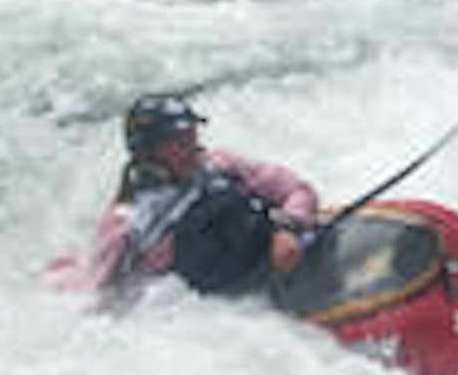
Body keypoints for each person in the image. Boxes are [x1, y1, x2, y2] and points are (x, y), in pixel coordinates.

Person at [86, 93, 320, 298]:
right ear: (148, 151)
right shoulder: (126, 224)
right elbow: (103, 299)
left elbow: (297, 190)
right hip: (223, 303)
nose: (191, 146)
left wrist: (288, 229)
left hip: (279, 260)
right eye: (178, 142)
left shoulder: (220, 164)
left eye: (191, 135)